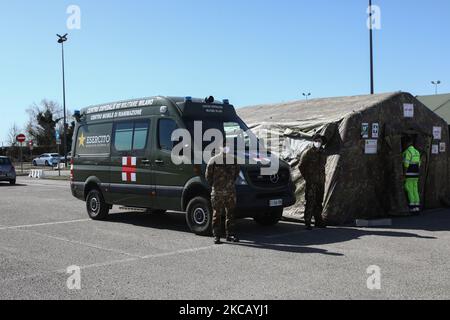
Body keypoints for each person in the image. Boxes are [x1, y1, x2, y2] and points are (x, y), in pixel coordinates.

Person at [206, 144, 241, 244]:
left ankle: (230, 234)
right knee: (217, 214)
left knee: (230, 214)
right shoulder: (213, 160)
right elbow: (208, 177)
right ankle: (216, 236)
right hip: (218, 192)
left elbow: (236, 174)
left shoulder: (234, 160)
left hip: (230, 192)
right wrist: (216, 186)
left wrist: (228, 184)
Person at [299, 134, 327, 230]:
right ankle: (307, 221)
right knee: (310, 201)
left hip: (321, 181)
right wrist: (307, 177)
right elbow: (301, 166)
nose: (318, 142)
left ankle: (318, 221)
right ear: (313, 141)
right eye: (317, 140)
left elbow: (323, 165)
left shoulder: (323, 152)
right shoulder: (308, 152)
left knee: (319, 201)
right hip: (311, 181)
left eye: (320, 141)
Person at [402, 137, 421, 213]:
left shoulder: (407, 152)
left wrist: (404, 174)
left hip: (409, 174)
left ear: (407, 144)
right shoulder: (417, 152)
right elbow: (419, 164)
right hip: (416, 174)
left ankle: (412, 207)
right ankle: (417, 206)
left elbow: (406, 165)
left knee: (409, 189)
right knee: (415, 189)